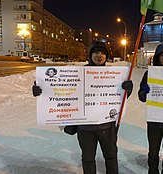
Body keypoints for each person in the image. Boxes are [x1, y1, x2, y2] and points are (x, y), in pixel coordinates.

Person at [32, 41, 133, 174]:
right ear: (90, 55)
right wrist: (41, 90)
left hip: (107, 126)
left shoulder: (114, 75)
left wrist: (128, 89)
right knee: (88, 159)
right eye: (96, 52)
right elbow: (62, 90)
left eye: (103, 53)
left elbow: (118, 97)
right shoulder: (78, 73)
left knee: (111, 157)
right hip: (85, 128)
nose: (100, 55)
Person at [138, 43, 163, 174]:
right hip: (154, 121)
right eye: (162, 56)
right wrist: (144, 92)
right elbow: (141, 97)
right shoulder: (150, 73)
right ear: (157, 57)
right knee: (153, 153)